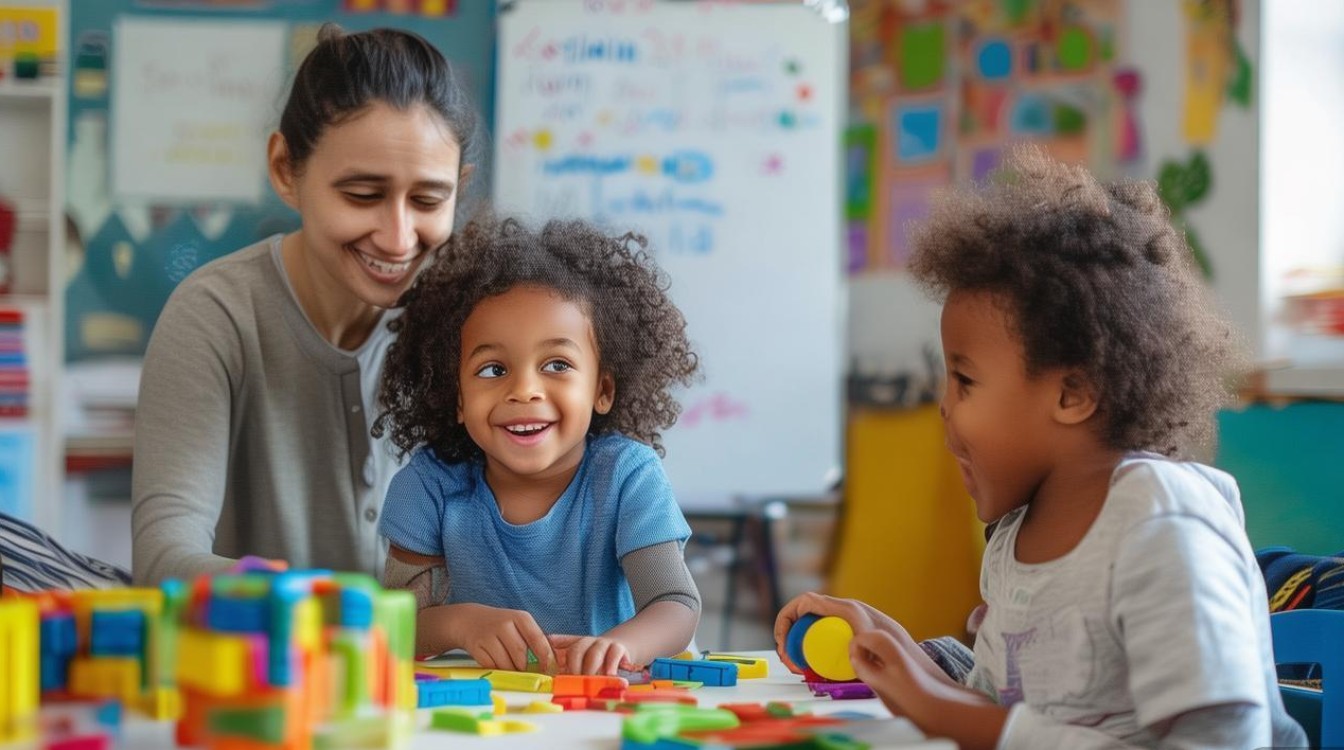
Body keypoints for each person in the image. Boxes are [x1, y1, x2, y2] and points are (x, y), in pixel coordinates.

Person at [774, 147, 1305, 749]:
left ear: (1073, 393)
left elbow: (1223, 741)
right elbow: (997, 703)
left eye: (965, 380)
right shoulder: (1018, 531)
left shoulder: (1162, 527)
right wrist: (886, 643)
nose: (944, 406)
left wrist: (948, 714)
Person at [131, 25, 481, 585]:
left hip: (437, 673)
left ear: (458, 189)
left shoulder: (474, 320)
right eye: (362, 195)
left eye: (427, 200)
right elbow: (163, 559)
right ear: (284, 170)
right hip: (261, 667)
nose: (397, 237)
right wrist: (329, 606)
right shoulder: (215, 315)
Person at [373, 216, 702, 676]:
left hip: (610, 706)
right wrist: (460, 624)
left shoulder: (626, 476)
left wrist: (619, 646)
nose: (524, 390)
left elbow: (674, 602)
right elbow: (391, 628)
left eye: (556, 364)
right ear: (457, 399)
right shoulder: (427, 488)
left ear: (602, 389)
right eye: (492, 370)